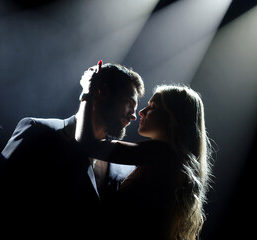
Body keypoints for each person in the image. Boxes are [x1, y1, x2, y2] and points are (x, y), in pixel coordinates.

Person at [0, 60, 145, 239]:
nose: (133, 115)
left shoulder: (122, 166)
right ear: (101, 91)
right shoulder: (38, 130)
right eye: (129, 103)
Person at [77, 81, 213, 240]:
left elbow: (88, 145)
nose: (141, 112)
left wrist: (88, 92)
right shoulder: (175, 160)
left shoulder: (163, 154)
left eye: (153, 107)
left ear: (172, 118)